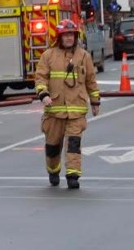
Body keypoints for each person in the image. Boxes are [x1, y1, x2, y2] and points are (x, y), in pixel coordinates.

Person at [34, 19, 101, 189]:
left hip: (76, 112)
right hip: (53, 111)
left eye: (72, 34)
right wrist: (43, 95)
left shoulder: (84, 56)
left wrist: (95, 102)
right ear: (60, 36)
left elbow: (91, 81)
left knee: (73, 145)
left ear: (76, 36)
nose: (69, 38)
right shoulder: (48, 56)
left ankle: (73, 176)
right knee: (52, 147)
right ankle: (53, 170)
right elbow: (40, 78)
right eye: (66, 34)